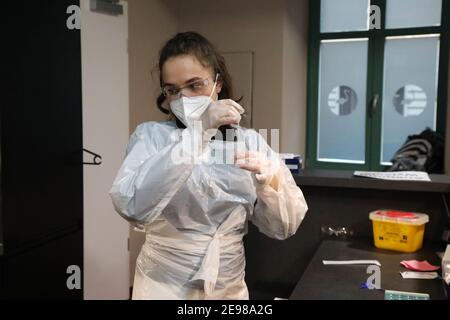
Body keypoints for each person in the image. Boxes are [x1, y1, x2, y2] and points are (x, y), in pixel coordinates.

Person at [109, 31, 308, 300]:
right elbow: (132, 205)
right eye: (173, 90)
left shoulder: (249, 142)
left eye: (195, 85)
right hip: (163, 286)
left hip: (228, 287)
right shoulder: (151, 138)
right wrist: (199, 132)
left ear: (218, 83)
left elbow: (284, 226)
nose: (185, 99)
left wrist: (270, 182)